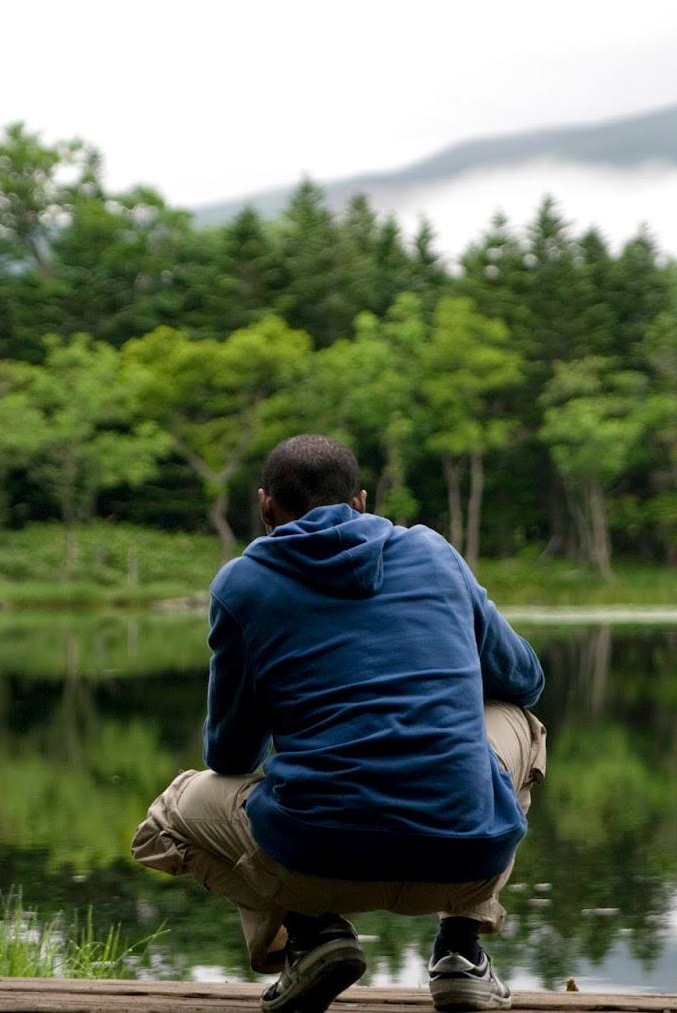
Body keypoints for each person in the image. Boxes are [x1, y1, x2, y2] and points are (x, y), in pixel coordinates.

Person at [132, 434, 546, 1013]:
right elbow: (525, 681)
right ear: (361, 502)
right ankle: (461, 952)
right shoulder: (433, 551)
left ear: (265, 506)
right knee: (518, 720)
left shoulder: (242, 583)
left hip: (315, 864)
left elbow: (230, 755)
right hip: (466, 863)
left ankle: (310, 936)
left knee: (168, 817)